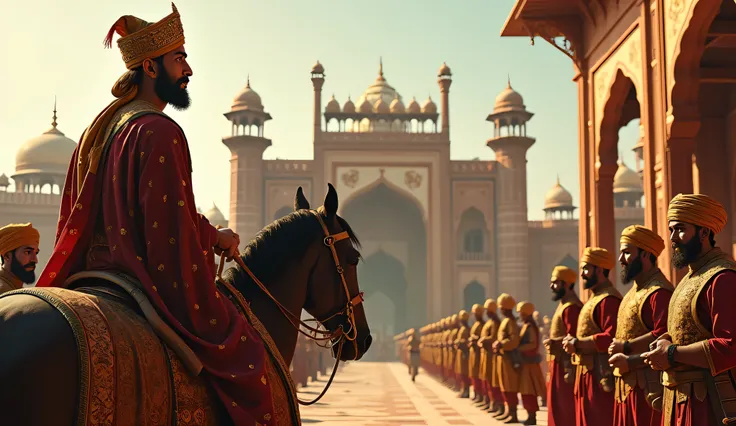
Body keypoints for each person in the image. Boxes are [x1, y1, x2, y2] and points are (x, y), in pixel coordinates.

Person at [35, 5, 275, 424]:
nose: (189, 69)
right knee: (248, 359)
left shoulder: (98, 130)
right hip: (137, 279)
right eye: (179, 57)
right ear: (150, 66)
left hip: (91, 275)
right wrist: (213, 238)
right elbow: (171, 234)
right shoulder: (158, 131)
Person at [642, 193, 736, 426]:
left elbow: (731, 345)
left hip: (709, 404)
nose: (673, 238)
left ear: (704, 232)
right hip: (677, 400)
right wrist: (664, 341)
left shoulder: (722, 277)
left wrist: (672, 353)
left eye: (680, 229)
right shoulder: (689, 278)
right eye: (671, 229)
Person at [608, 225, 672, 426]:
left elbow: (664, 336)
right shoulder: (634, 292)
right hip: (627, 384)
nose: (621, 259)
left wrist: (627, 349)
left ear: (645, 254)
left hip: (648, 387)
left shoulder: (658, 292)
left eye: (627, 252)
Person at [562, 247, 621, 426]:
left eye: (586, 268)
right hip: (586, 373)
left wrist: (578, 343)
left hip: (599, 374)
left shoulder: (608, 300)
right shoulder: (595, 298)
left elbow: (610, 337)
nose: (582, 274)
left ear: (600, 270)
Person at [544, 265, 582, 426]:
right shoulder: (564, 305)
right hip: (557, 363)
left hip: (566, 366)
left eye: (555, 283)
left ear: (566, 284)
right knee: (557, 406)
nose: (552, 286)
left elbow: (573, 337)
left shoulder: (571, 307)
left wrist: (555, 342)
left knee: (565, 408)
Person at [492, 293, 521, 423]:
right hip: (502, 358)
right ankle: (508, 411)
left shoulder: (511, 322)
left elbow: (514, 340)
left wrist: (501, 343)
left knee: (510, 387)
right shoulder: (505, 321)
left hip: (509, 359)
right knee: (504, 386)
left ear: (505, 308)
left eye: (501, 308)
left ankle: (513, 414)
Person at [517, 301, 546, 425]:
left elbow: (532, 344)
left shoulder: (530, 327)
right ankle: (530, 414)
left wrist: (518, 348)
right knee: (525, 391)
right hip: (525, 362)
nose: (520, 316)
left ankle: (532, 415)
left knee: (529, 391)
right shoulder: (526, 325)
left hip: (530, 363)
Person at [0, 223, 40, 295]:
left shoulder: (15, 290)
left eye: (36, 253)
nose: (35, 260)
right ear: (7, 256)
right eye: (28, 252)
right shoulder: (4, 293)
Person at [479, 298, 503, 413]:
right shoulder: (489, 323)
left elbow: (494, 338)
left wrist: (484, 340)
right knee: (487, 380)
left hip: (491, 356)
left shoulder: (496, 323)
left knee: (494, 381)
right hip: (486, 355)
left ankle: (497, 404)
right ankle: (489, 401)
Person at [468, 303, 486, 403]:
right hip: (474, 354)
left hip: (480, 354)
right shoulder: (476, 325)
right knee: (474, 374)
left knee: (480, 375)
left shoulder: (483, 325)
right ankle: (477, 394)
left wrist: (477, 339)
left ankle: (482, 396)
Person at [454, 310, 471, 398]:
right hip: (461, 354)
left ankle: (466, 390)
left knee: (465, 373)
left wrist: (460, 342)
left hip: (465, 354)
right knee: (461, 373)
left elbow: (468, 340)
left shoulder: (467, 329)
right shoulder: (462, 329)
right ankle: (463, 389)